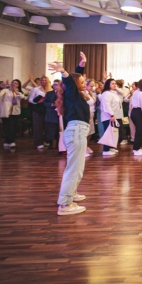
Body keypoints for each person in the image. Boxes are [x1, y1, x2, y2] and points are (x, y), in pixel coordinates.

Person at [48, 52, 91, 215]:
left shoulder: (73, 95)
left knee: (77, 167)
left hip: (76, 132)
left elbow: (75, 78)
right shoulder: (72, 94)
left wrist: (82, 64)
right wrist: (63, 71)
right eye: (82, 82)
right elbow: (71, 81)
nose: (85, 83)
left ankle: (71, 193)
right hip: (76, 132)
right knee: (74, 168)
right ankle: (65, 204)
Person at [0, 79, 24, 149]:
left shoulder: (19, 92)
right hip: (7, 111)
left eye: (16, 83)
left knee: (14, 127)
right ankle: (7, 141)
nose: (14, 84)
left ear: (18, 85)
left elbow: (22, 97)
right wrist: (0, 89)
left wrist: (15, 91)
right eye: (13, 83)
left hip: (15, 112)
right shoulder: (6, 90)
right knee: (7, 127)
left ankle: (12, 141)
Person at [28, 75, 51, 149]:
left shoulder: (50, 89)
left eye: (45, 80)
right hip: (38, 109)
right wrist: (37, 102)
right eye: (42, 80)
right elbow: (30, 100)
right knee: (38, 126)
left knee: (47, 126)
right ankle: (38, 142)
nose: (44, 82)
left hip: (47, 109)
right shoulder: (36, 89)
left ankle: (46, 141)